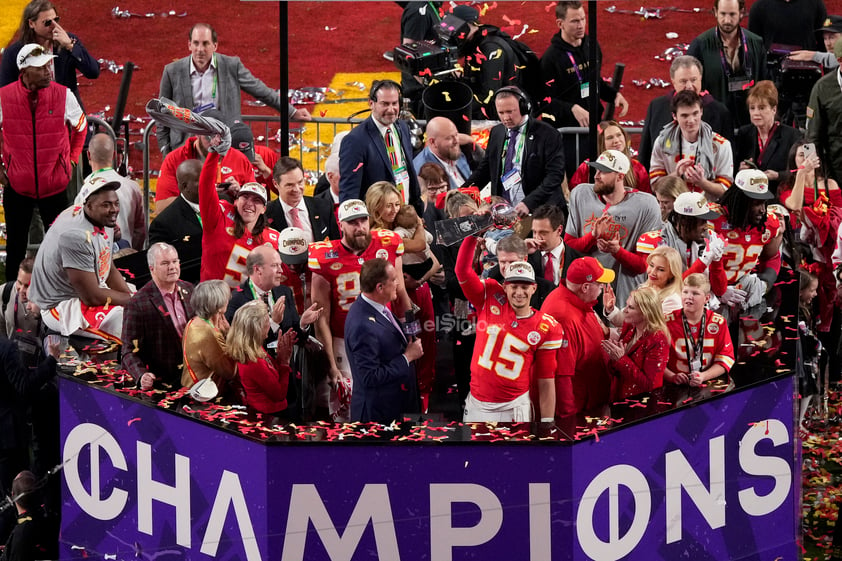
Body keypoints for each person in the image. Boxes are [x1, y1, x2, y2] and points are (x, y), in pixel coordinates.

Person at [309, 199, 410, 421]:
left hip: (384, 336)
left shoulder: (388, 243)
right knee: (349, 408)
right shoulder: (325, 257)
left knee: (386, 398)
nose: (360, 227)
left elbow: (401, 291)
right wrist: (331, 364)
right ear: (340, 225)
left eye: (363, 220)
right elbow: (321, 317)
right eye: (352, 222)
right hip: (345, 340)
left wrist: (411, 331)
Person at [455, 235, 567, 421]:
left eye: (525, 287)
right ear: (505, 286)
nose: (519, 292)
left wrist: (547, 422)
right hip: (477, 403)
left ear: (534, 288)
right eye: (514, 286)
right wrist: (472, 234)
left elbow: (546, 380)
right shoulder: (489, 294)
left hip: (514, 407)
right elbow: (462, 271)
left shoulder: (547, 326)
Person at [0, 43, 87, 280]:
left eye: (49, 64)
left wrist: (70, 160)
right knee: (16, 248)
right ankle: (11, 297)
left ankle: (63, 296)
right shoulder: (3, 98)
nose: (49, 70)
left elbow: (81, 126)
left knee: (62, 247)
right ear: (24, 72)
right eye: (41, 67)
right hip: (18, 187)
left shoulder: (63, 94)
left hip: (55, 186)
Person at [157, 23, 310, 154]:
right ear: (189, 44)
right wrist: (165, 148)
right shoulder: (172, 71)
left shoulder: (231, 66)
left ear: (215, 46)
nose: (200, 49)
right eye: (196, 43)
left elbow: (260, 91)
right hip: (186, 146)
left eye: (205, 43)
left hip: (223, 144)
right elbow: (161, 112)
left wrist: (291, 111)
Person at [28, 177, 131, 343]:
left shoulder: (100, 219)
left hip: (87, 288)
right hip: (60, 304)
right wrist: (133, 301)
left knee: (142, 305)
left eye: (116, 203)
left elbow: (108, 268)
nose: (114, 209)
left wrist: (132, 298)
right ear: (88, 206)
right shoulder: (76, 235)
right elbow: (91, 297)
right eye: (106, 204)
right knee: (125, 323)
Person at [366, 182, 439, 411]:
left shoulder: (401, 225)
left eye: (397, 204)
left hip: (418, 292)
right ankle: (408, 395)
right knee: (402, 346)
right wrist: (418, 223)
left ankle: (424, 393)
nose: (394, 210)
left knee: (425, 341)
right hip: (391, 300)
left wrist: (421, 280)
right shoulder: (372, 234)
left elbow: (434, 260)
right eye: (388, 205)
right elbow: (419, 244)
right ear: (375, 206)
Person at [540, 0, 629, 180]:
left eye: (582, 19)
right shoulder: (551, 59)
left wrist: (613, 95)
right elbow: (544, 101)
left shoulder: (592, 46)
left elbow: (594, 82)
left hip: (594, 128)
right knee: (579, 179)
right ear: (560, 23)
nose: (581, 25)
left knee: (605, 175)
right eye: (574, 21)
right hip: (569, 134)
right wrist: (571, 108)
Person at [564, 149, 662, 304]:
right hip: (584, 289)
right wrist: (593, 236)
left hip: (626, 294)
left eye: (603, 172)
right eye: (596, 170)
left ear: (620, 176)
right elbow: (568, 247)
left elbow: (646, 265)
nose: (596, 176)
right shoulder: (581, 194)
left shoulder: (646, 205)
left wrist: (617, 251)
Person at [463, 86, 566, 216]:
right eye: (501, 113)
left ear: (524, 108)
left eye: (510, 111)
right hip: (505, 213)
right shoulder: (497, 132)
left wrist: (529, 203)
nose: (506, 117)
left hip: (541, 213)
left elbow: (554, 176)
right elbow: (485, 170)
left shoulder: (548, 134)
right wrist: (462, 192)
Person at [345, 258, 422, 423]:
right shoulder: (362, 325)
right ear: (380, 287)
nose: (397, 284)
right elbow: (369, 377)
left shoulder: (375, 307)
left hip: (394, 406)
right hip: (377, 416)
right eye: (393, 280)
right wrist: (407, 357)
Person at [0, 337, 59, 547]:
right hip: (9, 437)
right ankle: (12, 544)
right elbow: (24, 386)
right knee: (14, 496)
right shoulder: (5, 348)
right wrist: (51, 360)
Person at [198, 148, 281, 287]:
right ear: (236, 201)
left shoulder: (272, 239)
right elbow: (205, 187)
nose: (249, 203)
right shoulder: (219, 217)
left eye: (256, 200)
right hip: (212, 301)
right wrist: (213, 152)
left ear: (263, 209)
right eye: (245, 197)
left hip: (247, 306)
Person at [541, 257, 614, 414]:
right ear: (586, 287)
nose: (603, 288)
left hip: (592, 397)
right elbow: (562, 376)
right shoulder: (564, 317)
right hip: (581, 408)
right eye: (600, 283)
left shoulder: (577, 299)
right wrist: (569, 417)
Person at [339, 80, 422, 212]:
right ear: (371, 103)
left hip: (405, 213)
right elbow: (350, 191)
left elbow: (407, 172)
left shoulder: (403, 127)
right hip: (378, 220)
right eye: (385, 104)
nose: (391, 109)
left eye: (395, 103)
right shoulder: (355, 140)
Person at [638, 56, 734, 171]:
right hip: (664, 183)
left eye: (693, 80)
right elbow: (646, 151)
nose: (689, 86)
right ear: (673, 82)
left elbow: (728, 159)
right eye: (683, 81)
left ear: (701, 78)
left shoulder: (719, 111)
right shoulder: (657, 106)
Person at [122, 243, 194, 390]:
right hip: (164, 383)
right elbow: (128, 351)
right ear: (152, 269)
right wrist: (141, 375)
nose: (172, 267)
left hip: (195, 376)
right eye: (165, 263)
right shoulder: (137, 304)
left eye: (175, 261)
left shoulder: (190, 289)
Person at [0, 0, 99, 107]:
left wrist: (70, 46)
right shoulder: (14, 53)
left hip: (67, 110)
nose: (54, 26)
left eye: (56, 20)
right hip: (32, 111)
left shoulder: (68, 41)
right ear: (31, 23)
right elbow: (5, 93)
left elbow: (93, 72)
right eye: (47, 22)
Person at [154, 112, 256, 214]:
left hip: (227, 224)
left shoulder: (240, 159)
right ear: (197, 133)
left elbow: (256, 204)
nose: (215, 143)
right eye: (209, 136)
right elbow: (161, 208)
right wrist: (202, 194)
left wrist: (241, 193)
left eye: (222, 137)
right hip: (189, 224)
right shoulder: (175, 159)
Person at [687, 0, 768, 127]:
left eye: (732, 14)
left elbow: (765, 82)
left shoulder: (756, 43)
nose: (727, 20)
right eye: (723, 14)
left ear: (741, 13)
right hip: (713, 123)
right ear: (715, 12)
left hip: (750, 123)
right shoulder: (700, 45)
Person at [712, 169, 783, 312]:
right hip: (707, 293)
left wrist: (764, 283)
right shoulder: (712, 218)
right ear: (740, 201)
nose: (762, 210)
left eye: (764, 203)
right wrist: (713, 289)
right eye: (756, 203)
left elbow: (772, 257)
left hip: (742, 292)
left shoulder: (768, 223)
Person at [632, 192, 728, 294]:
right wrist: (703, 262)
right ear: (684, 221)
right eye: (702, 221)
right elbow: (668, 289)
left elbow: (719, 291)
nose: (706, 226)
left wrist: (717, 262)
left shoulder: (710, 238)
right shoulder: (656, 242)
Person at [225, 245, 320, 345]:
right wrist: (274, 323)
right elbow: (240, 345)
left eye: (280, 265)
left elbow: (296, 337)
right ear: (257, 270)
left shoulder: (284, 292)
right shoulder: (235, 300)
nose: (281, 270)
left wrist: (303, 324)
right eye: (275, 265)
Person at [446, 4, 527, 119]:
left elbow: (488, 96)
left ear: (469, 26)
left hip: (505, 114)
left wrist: (455, 111)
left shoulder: (491, 49)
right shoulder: (475, 42)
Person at [650, 90, 734, 200]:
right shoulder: (662, 143)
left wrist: (701, 182)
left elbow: (725, 191)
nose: (691, 120)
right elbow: (655, 186)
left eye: (695, 113)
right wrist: (677, 174)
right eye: (684, 115)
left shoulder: (721, 145)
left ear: (701, 112)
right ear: (674, 116)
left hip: (708, 209)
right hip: (673, 208)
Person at [75, 133, 146, 250]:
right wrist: (132, 253)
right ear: (114, 155)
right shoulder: (133, 187)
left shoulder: (84, 192)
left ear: (88, 155)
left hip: (97, 260)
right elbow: (140, 230)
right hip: (127, 256)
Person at [227, 301, 297, 417]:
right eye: (267, 320)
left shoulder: (254, 349)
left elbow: (272, 374)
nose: (270, 323)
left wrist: (280, 356)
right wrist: (284, 362)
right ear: (257, 328)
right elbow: (279, 395)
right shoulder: (254, 362)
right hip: (270, 416)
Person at [664, 273, 735, 385]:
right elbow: (653, 358)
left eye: (695, 293)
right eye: (685, 292)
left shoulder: (718, 322)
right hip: (673, 386)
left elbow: (726, 359)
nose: (688, 297)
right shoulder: (666, 322)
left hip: (709, 385)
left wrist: (703, 376)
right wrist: (671, 376)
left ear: (707, 298)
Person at [733, 81, 803, 194]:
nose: (756, 113)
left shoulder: (792, 135)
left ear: (773, 110)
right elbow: (734, 170)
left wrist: (778, 175)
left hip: (779, 194)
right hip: (750, 195)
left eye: (761, 108)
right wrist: (741, 170)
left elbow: (800, 171)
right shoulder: (744, 133)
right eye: (752, 108)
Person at [602, 286, 670, 401]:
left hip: (640, 406)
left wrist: (621, 359)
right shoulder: (630, 326)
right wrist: (613, 358)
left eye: (631, 307)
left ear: (645, 313)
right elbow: (617, 369)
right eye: (627, 305)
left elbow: (650, 385)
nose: (624, 310)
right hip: (618, 398)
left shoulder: (658, 340)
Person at [148, 159, 204, 284]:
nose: (209, 183)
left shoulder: (224, 202)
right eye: (202, 180)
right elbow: (162, 268)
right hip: (192, 288)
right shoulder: (163, 223)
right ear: (185, 186)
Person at [265, 156, 339, 243]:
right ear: (275, 184)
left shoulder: (323, 206)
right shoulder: (266, 214)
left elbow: (336, 245)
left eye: (300, 182)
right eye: (289, 185)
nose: (296, 189)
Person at [605, 246, 687, 324]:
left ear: (672, 274)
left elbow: (652, 331)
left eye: (660, 269)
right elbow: (625, 321)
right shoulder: (643, 288)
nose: (653, 272)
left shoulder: (672, 301)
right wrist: (611, 309)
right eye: (651, 265)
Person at [180, 279, 236, 389]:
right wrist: (230, 335)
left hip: (190, 387)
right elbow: (230, 372)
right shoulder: (209, 334)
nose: (228, 301)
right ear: (218, 305)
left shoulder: (193, 322)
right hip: (205, 397)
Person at [569, 121, 650, 193]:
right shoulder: (587, 166)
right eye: (610, 138)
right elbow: (576, 193)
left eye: (619, 135)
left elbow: (645, 197)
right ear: (601, 143)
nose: (616, 140)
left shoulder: (637, 167)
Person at [0, 470, 58, 561]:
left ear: (13, 495)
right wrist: (10, 549)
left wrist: (15, 548)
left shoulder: (22, 531)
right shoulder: (46, 520)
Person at [806, 40, 842, 185]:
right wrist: (813, 174)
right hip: (835, 168)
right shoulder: (822, 88)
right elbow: (811, 135)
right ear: (839, 60)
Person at [399, 1, 443, 117]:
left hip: (429, 88)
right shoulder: (418, 12)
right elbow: (408, 56)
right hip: (421, 92)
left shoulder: (430, 6)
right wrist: (427, 82)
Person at [525, 203, 582, 286]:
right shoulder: (526, 256)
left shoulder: (578, 259)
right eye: (534, 232)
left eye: (543, 233)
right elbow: (500, 278)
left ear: (559, 230)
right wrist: (520, 252)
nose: (537, 238)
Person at [0, 257, 42, 366]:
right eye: (19, 283)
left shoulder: (48, 301)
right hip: (9, 365)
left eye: (28, 285)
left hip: (38, 368)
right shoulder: (5, 293)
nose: (22, 290)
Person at [412, 116, 473, 190]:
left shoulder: (455, 153)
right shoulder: (421, 172)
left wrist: (472, 142)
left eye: (456, 135)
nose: (456, 141)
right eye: (449, 138)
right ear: (433, 142)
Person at [748, 0, 827, 51]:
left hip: (808, 67)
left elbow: (823, 41)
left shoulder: (816, 4)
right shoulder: (759, 6)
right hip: (771, 69)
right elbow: (753, 45)